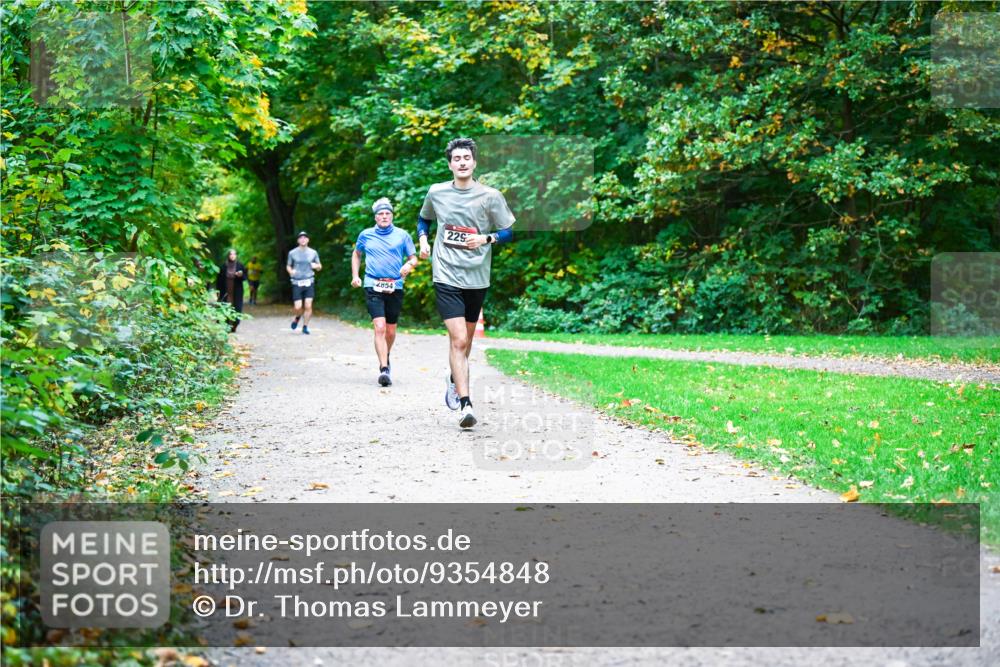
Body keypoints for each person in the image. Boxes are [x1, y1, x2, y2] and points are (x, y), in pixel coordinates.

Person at [417, 137, 515, 428]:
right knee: (458, 340)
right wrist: (423, 239)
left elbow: (508, 230)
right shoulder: (436, 192)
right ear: (450, 164)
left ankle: (452, 376)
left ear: (474, 162)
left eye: (466, 158)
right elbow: (424, 220)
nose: (461, 162)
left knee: (466, 343)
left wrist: (486, 238)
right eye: (456, 158)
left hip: (477, 276)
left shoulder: (490, 196)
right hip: (445, 273)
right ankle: (466, 404)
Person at [351, 197, 418, 386]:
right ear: (375, 217)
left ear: (392, 216)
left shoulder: (402, 235)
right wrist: (356, 275)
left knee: (390, 331)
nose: (384, 216)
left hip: (395, 286)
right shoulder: (365, 235)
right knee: (379, 327)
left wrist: (409, 265)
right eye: (380, 213)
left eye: (387, 213)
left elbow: (413, 258)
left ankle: (385, 355)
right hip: (373, 284)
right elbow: (356, 254)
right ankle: (384, 369)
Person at [287, 231, 321, 335]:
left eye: (305, 237)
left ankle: (305, 326)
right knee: (298, 307)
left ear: (308, 240)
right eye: (301, 238)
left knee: (308, 305)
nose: (303, 239)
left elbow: (319, 266)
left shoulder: (313, 252)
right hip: (297, 282)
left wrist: (317, 266)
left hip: (309, 281)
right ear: (298, 240)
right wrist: (291, 271)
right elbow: (288, 266)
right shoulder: (292, 253)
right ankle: (297, 317)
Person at [216, 249, 246, 333]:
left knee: (237, 308)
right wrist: (217, 292)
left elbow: (245, 277)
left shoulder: (240, 265)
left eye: (234, 254)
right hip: (226, 291)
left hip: (236, 291)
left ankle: (235, 325)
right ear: (228, 256)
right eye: (231, 254)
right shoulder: (223, 266)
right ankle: (227, 325)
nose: (232, 256)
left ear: (236, 256)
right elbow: (219, 280)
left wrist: (240, 275)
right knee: (226, 307)